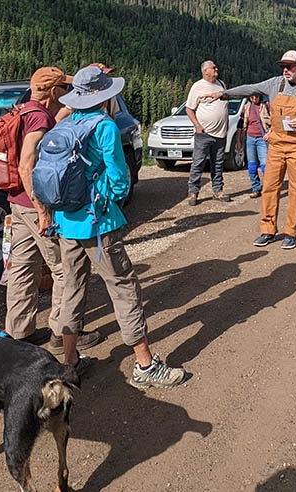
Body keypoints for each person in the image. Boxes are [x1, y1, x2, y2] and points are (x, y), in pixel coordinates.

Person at [54, 65, 187, 388]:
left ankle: (69, 363)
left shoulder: (66, 123)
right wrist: (109, 199)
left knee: (71, 289)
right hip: (97, 223)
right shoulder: (105, 127)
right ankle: (145, 365)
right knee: (124, 288)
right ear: (103, 96)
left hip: (66, 221)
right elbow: (118, 178)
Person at [5, 66, 103, 352]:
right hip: (36, 204)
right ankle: (62, 334)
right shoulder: (38, 118)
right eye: (65, 89)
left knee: (23, 268)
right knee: (63, 270)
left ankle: (19, 333)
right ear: (52, 92)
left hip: (16, 202)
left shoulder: (22, 110)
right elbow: (26, 165)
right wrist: (43, 210)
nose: (69, 94)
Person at [207, 50, 296, 249]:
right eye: (283, 66)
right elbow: (249, 88)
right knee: (270, 187)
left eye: (289, 66)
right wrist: (223, 94)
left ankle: (291, 233)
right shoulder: (274, 83)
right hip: (276, 145)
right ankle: (268, 231)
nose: (285, 70)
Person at [185, 60, 231, 205]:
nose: (216, 69)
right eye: (213, 67)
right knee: (198, 162)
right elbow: (189, 109)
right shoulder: (197, 87)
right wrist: (197, 125)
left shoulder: (221, 84)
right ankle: (193, 193)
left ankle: (218, 191)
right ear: (205, 71)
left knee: (217, 163)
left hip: (221, 133)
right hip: (204, 133)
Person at [238, 92, 271, 199]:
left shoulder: (265, 106)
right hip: (250, 139)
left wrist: (269, 133)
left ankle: (268, 188)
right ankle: (256, 188)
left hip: (262, 138)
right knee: (252, 166)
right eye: (252, 96)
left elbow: (274, 121)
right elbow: (241, 123)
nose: (254, 98)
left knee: (265, 166)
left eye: (256, 96)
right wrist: (239, 140)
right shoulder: (246, 108)